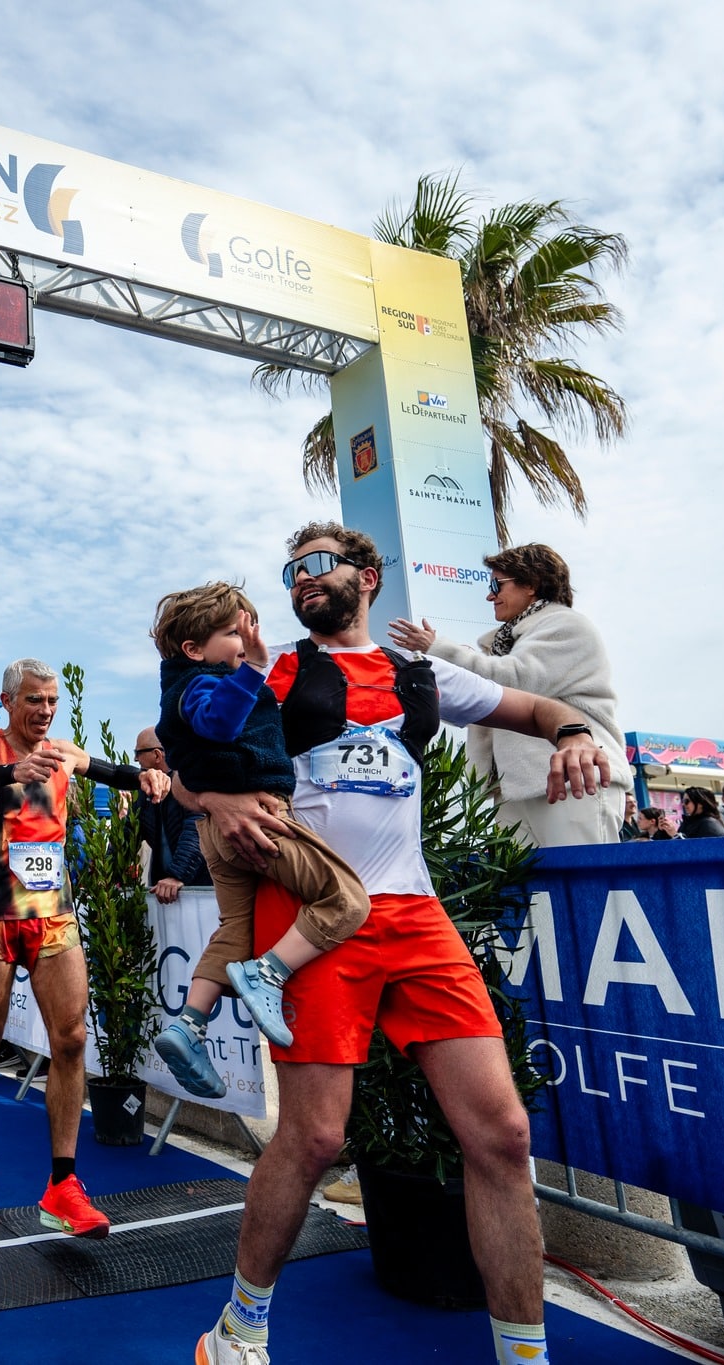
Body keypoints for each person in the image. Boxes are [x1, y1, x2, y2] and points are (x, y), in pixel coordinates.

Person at [174, 523, 610, 1365]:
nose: (302, 578)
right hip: (313, 916)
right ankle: (238, 1329)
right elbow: (187, 761)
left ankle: (524, 1355)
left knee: (502, 1134)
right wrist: (215, 804)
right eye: (291, 569)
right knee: (312, 1137)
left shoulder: (420, 675)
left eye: (319, 565)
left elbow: (542, 707)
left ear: (367, 578)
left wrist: (573, 735)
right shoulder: (276, 673)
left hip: (416, 916)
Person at [0, 656, 169, 1236]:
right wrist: (13, 771)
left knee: (70, 1040)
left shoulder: (64, 751)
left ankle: (63, 1185)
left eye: (52, 702)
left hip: (53, 915)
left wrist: (145, 777)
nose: (45, 712)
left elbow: (111, 771)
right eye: (34, 702)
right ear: (7, 702)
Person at [147, 582, 371, 1103]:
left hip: (215, 834)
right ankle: (266, 973)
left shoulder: (195, 680)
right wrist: (253, 670)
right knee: (346, 900)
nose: (246, 639)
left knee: (236, 926)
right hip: (257, 819)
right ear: (194, 650)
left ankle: (188, 1026)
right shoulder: (202, 684)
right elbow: (219, 724)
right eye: (233, 633)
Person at [388, 542, 627, 847]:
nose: (490, 595)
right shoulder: (509, 641)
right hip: (520, 789)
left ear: (531, 584)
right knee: (528, 895)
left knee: (590, 889)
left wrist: (439, 651)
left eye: (496, 584)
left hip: (575, 783)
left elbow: (513, 682)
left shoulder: (565, 625)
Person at [137, 725, 211, 901]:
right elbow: (129, 831)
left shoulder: (188, 782)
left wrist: (177, 876)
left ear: (157, 755)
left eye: (138, 752)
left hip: (200, 890)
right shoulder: (143, 792)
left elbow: (196, 829)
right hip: (163, 889)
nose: (135, 759)